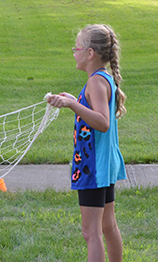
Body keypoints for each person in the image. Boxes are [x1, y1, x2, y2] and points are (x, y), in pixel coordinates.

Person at [46, 24, 127, 262]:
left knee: (91, 232)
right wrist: (74, 100)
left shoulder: (95, 82)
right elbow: (95, 111)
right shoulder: (103, 78)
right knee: (107, 225)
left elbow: (102, 122)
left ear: (90, 53)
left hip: (93, 165)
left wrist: (73, 105)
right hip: (104, 163)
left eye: (76, 48)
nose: (74, 53)